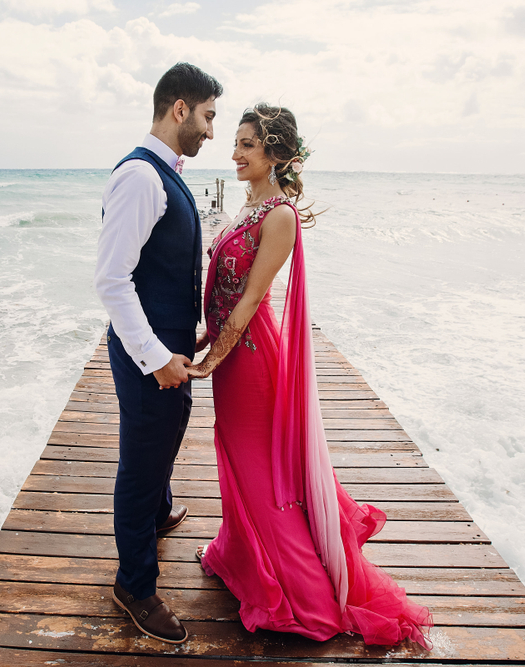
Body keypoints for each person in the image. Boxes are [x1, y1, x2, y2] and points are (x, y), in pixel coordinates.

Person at [186, 104, 433, 648]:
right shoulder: (248, 205)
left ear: (276, 153)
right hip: (232, 353)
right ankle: (241, 555)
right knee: (237, 462)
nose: (235, 153)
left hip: (250, 360)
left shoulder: (279, 216)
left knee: (262, 474)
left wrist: (214, 359)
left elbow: (251, 301)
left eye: (248, 144)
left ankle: (305, 598)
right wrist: (205, 338)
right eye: (236, 142)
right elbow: (226, 297)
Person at [93, 62, 223, 645]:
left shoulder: (164, 173)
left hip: (168, 345)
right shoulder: (141, 178)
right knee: (142, 461)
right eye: (208, 116)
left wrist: (184, 330)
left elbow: (161, 266)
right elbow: (112, 282)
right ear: (179, 108)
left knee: (173, 429)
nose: (212, 131)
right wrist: (156, 355)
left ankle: (157, 511)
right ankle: (135, 585)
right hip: (148, 356)